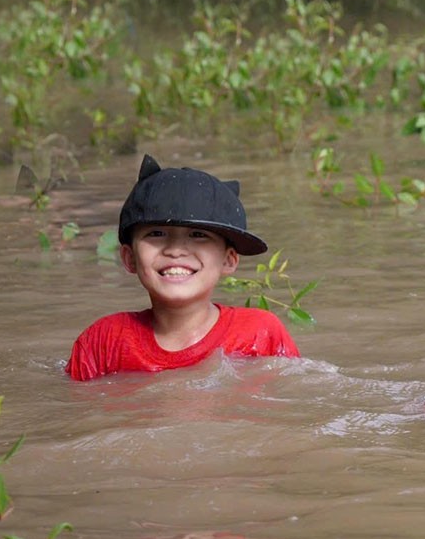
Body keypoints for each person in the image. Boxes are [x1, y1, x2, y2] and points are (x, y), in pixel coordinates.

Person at [67, 154, 300, 381]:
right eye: (156, 233)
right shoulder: (102, 341)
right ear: (130, 258)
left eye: (198, 235)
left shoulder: (260, 332)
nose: (176, 250)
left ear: (229, 260)